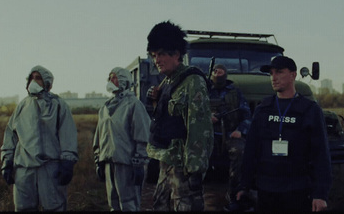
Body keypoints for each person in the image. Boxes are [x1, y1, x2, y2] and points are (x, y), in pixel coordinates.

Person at [236, 56, 332, 212]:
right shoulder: (263, 109)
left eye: (279, 72)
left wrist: (320, 193)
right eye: (271, 73)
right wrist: (244, 185)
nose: (274, 77)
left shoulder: (309, 110)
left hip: (297, 189)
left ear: (293, 75)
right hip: (266, 188)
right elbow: (251, 150)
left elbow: (321, 154)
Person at [145, 20, 214, 211]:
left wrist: (194, 171)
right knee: (160, 205)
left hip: (183, 166)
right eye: (153, 55)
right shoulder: (168, 81)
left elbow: (199, 129)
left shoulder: (192, 81)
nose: (156, 60)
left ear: (176, 54)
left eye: (160, 54)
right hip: (166, 161)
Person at [0, 65, 78, 211]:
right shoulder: (22, 106)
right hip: (23, 169)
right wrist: (7, 161)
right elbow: (10, 135)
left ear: (47, 82)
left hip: (50, 168)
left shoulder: (58, 105)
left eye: (38, 78)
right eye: (31, 78)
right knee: (24, 208)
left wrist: (68, 161)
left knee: (54, 207)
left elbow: (67, 134)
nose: (33, 81)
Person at [93, 67, 151, 211]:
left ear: (124, 81)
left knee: (128, 204)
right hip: (108, 162)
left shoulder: (134, 105)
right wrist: (98, 160)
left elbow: (143, 135)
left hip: (127, 163)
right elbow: (99, 137)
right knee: (113, 203)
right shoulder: (105, 108)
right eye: (110, 78)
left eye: (114, 77)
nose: (111, 81)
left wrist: (139, 162)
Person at [208, 64, 253, 211]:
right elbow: (191, 112)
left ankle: (235, 195)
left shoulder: (235, 93)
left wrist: (240, 130)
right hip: (207, 136)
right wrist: (206, 118)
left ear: (226, 74)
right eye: (215, 71)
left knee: (239, 151)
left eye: (221, 71)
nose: (217, 73)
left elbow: (247, 115)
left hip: (230, 134)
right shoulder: (204, 91)